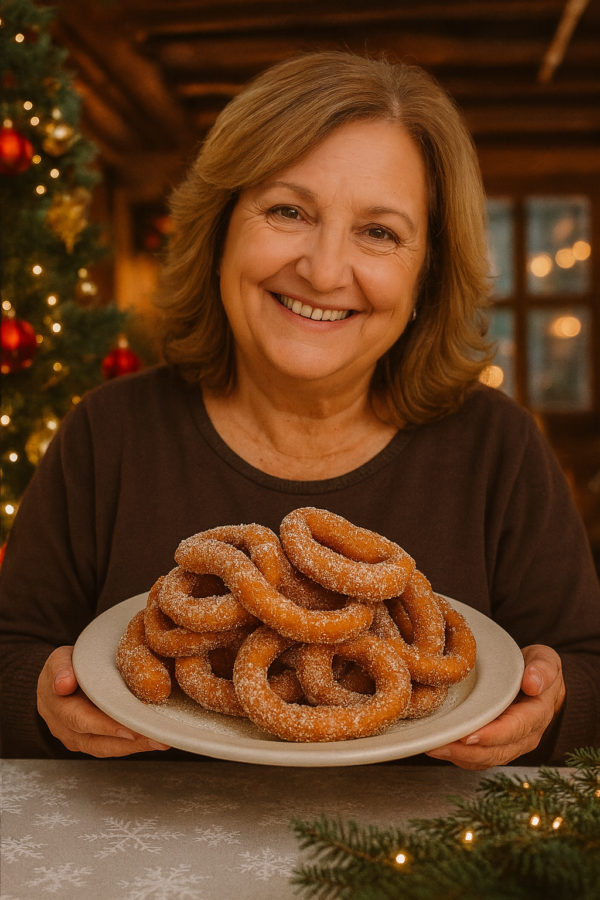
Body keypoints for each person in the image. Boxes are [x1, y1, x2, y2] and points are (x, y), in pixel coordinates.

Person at [1, 52, 599, 768]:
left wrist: (553, 702)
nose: (322, 269)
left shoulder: (497, 448)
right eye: (288, 211)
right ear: (221, 229)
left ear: (427, 273)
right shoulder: (108, 434)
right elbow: (11, 652)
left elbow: (584, 667)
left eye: (379, 231)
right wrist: (39, 698)